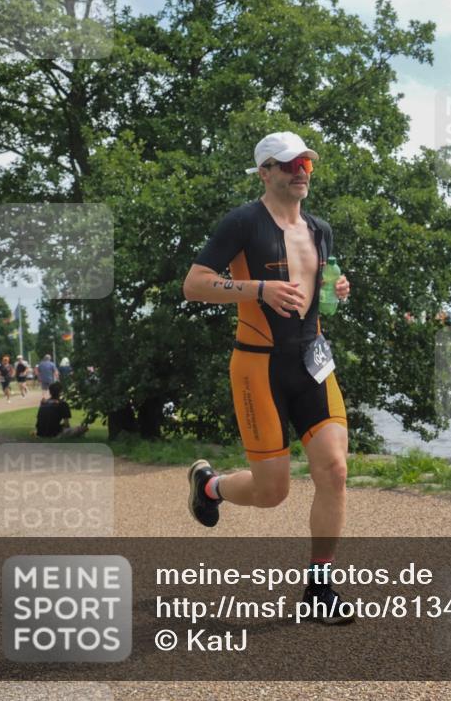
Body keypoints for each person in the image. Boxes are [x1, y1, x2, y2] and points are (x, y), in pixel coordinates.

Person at [182, 131, 352, 623]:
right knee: (272, 492)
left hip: (313, 362)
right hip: (258, 366)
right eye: (287, 163)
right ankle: (210, 487)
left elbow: (322, 298)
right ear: (264, 171)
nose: (300, 170)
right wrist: (258, 289)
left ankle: (320, 587)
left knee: (335, 471)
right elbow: (194, 285)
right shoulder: (241, 223)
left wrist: (337, 288)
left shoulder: (320, 230)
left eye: (306, 163)